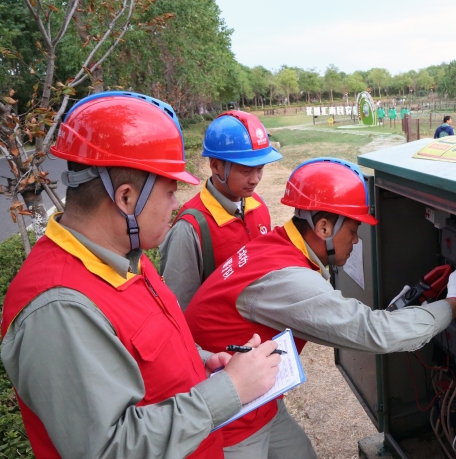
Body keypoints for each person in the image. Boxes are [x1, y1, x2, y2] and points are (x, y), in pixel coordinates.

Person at [0, 91, 282, 458]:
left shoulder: (125, 256)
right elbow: (108, 449)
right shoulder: (59, 308)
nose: (177, 203)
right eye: (169, 191)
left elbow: (147, 349)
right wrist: (229, 390)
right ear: (126, 199)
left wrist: (199, 360)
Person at [184, 157, 456, 458]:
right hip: (230, 422)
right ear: (323, 227)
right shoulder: (287, 278)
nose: (357, 241)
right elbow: (377, 332)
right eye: (354, 230)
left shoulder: (276, 244)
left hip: (260, 400)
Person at [160, 111, 281, 309]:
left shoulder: (258, 205)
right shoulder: (190, 229)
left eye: (260, 169)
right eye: (246, 170)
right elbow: (179, 306)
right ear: (216, 166)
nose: (255, 179)